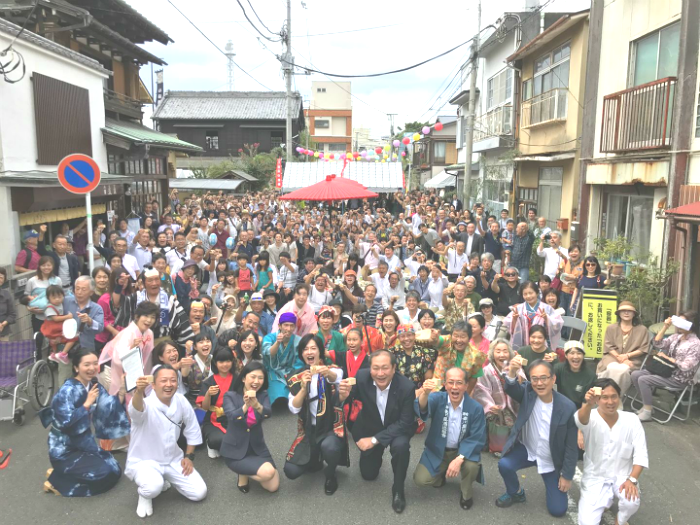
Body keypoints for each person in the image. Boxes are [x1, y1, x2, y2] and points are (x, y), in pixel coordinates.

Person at [39, 348, 130, 497]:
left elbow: (109, 408)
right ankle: (57, 481)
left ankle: (63, 473)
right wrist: (86, 405)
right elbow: (64, 424)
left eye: (95, 364)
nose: (92, 368)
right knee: (105, 474)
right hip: (64, 450)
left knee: (114, 468)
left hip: (84, 444)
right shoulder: (66, 391)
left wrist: (121, 390)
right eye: (86, 365)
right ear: (76, 367)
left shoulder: (94, 386)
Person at [495, 358, 577, 517]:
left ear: (553, 379)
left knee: (558, 510)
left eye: (544, 378)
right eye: (534, 378)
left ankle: (553, 486)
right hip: (527, 450)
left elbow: (571, 446)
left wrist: (567, 475)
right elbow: (511, 388)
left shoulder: (567, 407)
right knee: (504, 464)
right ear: (530, 380)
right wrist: (512, 371)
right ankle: (516, 492)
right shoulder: (528, 392)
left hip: (551, 460)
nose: (539, 383)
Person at [338, 350, 417, 513]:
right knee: (368, 474)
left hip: (397, 429)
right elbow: (346, 398)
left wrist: (374, 440)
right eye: (375, 368)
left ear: (394, 368)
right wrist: (342, 395)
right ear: (370, 368)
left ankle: (398, 489)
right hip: (370, 425)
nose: (380, 373)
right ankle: (375, 455)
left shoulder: (407, 387)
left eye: (385, 368)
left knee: (401, 447)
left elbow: (405, 422)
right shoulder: (361, 377)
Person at [125, 367, 207, 518]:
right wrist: (138, 392)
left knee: (199, 493)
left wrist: (189, 457)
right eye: (163, 380)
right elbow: (136, 411)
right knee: (152, 487)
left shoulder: (181, 400)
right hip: (146, 461)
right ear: (154, 385)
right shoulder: (145, 403)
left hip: (173, 459)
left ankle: (164, 478)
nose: (169, 384)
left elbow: (192, 427)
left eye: (173, 380)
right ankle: (145, 494)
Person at [575, 378, 648, 525]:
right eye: (604, 397)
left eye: (614, 396)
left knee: (631, 501)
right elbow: (581, 420)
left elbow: (641, 453)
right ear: (597, 400)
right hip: (596, 477)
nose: (610, 402)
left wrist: (632, 480)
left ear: (619, 396)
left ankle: (620, 521)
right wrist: (588, 404)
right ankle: (604, 501)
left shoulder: (632, 420)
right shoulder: (590, 417)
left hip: (623, 475)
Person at [413, 368, 486, 510]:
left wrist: (459, 459)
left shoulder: (475, 408)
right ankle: (440, 477)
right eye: (450, 382)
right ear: (445, 385)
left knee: (471, 466)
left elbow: (477, 437)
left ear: (466, 385)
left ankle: (466, 494)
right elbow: (422, 408)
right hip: (438, 450)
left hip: (462, 452)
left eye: (459, 383)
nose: (454, 387)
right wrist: (425, 393)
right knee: (420, 480)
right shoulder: (438, 398)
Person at [284, 334, 348, 494]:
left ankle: (330, 474)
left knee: (330, 448)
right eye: (305, 349)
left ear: (320, 351)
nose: (309, 352)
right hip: (308, 430)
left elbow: (338, 378)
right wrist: (303, 389)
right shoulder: (297, 376)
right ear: (302, 354)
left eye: (313, 348)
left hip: (329, 428)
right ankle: (315, 457)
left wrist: (328, 374)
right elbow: (293, 408)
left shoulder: (331, 370)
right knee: (291, 471)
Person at [220, 361, 279, 493]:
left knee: (272, 487)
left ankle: (248, 470)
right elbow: (232, 417)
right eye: (253, 377)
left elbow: (268, 413)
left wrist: (257, 405)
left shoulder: (262, 395)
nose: (256, 381)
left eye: (260, 378)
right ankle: (242, 472)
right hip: (235, 450)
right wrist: (246, 405)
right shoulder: (230, 396)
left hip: (257, 447)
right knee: (268, 473)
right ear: (243, 378)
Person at [632, 311, 700, 422]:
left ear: (692, 325)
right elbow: (657, 344)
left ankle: (647, 411)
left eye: (683, 322)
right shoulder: (676, 337)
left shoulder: (696, 344)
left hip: (679, 378)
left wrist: (667, 358)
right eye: (679, 321)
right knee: (635, 374)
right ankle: (647, 405)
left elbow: (686, 366)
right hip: (665, 371)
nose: (679, 325)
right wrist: (665, 327)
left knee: (644, 379)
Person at [99, 301, 158, 402]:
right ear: (137, 316)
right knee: (112, 402)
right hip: (111, 369)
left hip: (131, 371)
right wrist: (132, 347)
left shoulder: (149, 333)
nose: (149, 320)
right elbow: (118, 357)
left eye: (152, 317)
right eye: (146, 315)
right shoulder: (128, 333)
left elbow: (147, 359)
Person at [474, 339, 526, 437]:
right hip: (496, 406)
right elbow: (481, 391)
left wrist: (514, 372)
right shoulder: (487, 371)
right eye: (498, 351)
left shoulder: (516, 367)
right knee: (492, 415)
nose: (501, 355)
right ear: (492, 354)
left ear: (510, 353)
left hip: (514, 405)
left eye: (505, 351)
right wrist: (490, 405)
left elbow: (524, 387)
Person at [597, 301, 650, 399]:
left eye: (629, 311)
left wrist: (627, 356)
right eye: (623, 311)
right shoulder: (611, 327)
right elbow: (608, 346)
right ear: (619, 313)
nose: (626, 313)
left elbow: (643, 348)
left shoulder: (642, 329)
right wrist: (620, 357)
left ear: (634, 314)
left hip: (633, 359)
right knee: (612, 368)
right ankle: (609, 397)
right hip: (612, 357)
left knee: (623, 370)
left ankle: (615, 398)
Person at [196, 348, 237, 459]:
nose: (225, 364)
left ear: (232, 361)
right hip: (213, 420)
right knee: (218, 440)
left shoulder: (237, 378)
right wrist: (208, 394)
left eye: (228, 361)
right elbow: (205, 407)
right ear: (215, 363)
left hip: (233, 417)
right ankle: (212, 444)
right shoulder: (209, 382)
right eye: (221, 361)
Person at [504, 281, 563, 353]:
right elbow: (508, 325)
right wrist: (514, 319)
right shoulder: (518, 308)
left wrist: (547, 319)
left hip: (541, 342)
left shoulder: (547, 308)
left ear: (537, 293)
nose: (528, 296)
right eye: (525, 294)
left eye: (531, 293)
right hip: (523, 344)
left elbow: (558, 324)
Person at [433, 321, 486, 395]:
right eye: (456, 336)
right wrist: (434, 336)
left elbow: (473, 378)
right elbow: (437, 341)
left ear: (469, 338)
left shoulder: (476, 355)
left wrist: (465, 396)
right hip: (439, 387)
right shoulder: (447, 342)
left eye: (463, 337)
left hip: (459, 390)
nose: (459, 340)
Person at [262, 312, 302, 404]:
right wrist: (277, 342)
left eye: (292, 326)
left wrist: (293, 375)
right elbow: (268, 352)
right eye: (286, 325)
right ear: (279, 326)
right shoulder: (269, 338)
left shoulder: (298, 340)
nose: (289, 329)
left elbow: (299, 362)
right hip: (273, 372)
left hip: (291, 372)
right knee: (279, 394)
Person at [63, 276, 105, 354]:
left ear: (91, 292)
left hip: (86, 349)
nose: (79, 292)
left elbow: (100, 328)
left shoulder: (97, 308)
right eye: (77, 288)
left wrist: (90, 321)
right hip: (65, 348)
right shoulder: (66, 301)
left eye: (83, 289)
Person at [41, 285, 78, 364]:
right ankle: (63, 353)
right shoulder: (49, 307)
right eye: (54, 297)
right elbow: (56, 318)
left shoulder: (59, 304)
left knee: (54, 342)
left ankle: (54, 354)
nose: (57, 299)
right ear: (48, 298)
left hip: (55, 329)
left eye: (60, 297)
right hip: (54, 329)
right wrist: (68, 317)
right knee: (73, 338)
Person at [554, 341, 596, 408]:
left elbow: (586, 403)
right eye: (572, 353)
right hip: (559, 407)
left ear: (583, 355)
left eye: (579, 353)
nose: (575, 356)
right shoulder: (558, 369)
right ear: (566, 355)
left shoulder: (590, 376)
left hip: (578, 411)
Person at [0, 268, 17, 341]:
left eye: (1, 277)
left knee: (4, 352)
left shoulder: (6, 295)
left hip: (3, 333)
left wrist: (3, 324)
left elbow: (12, 314)